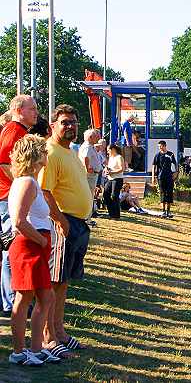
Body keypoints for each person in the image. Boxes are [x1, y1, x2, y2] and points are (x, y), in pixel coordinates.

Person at [39, 104, 93, 354]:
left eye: (73, 122)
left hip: (79, 225)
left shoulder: (69, 151)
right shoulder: (50, 153)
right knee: (53, 282)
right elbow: (45, 191)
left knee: (64, 282)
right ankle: (49, 337)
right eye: (64, 122)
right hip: (63, 224)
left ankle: (60, 331)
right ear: (53, 126)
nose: (70, 126)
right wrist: (60, 220)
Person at [8, 135, 60, 365]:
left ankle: (36, 348)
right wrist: (40, 240)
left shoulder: (30, 181)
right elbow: (19, 220)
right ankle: (19, 351)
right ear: (34, 155)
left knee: (45, 296)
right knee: (25, 297)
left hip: (35, 244)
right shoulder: (27, 182)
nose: (46, 154)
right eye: (43, 150)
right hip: (29, 245)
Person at [1, 95, 38, 318]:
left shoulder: (18, 130)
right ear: (18, 109)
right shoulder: (14, 130)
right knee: (11, 246)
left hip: (7, 195)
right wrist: (20, 183)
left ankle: (11, 298)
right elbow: (4, 161)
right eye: (32, 108)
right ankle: (10, 301)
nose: (36, 112)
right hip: (7, 196)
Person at [78, 129, 102, 223]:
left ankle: (87, 217)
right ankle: (86, 218)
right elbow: (86, 158)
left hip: (92, 174)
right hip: (90, 175)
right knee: (88, 196)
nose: (99, 138)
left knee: (90, 196)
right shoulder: (87, 147)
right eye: (97, 136)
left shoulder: (90, 146)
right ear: (91, 137)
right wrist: (88, 168)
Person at [151, 140, 177, 218]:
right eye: (159, 147)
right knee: (162, 193)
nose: (160, 148)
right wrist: (153, 177)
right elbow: (153, 166)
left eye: (161, 146)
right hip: (160, 177)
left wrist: (176, 172)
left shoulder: (170, 154)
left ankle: (168, 211)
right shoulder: (157, 155)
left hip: (169, 176)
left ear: (165, 146)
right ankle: (163, 211)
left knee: (169, 193)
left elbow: (175, 163)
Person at [104, 144, 125, 220]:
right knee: (106, 194)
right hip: (110, 179)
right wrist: (106, 170)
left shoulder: (119, 157)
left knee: (114, 196)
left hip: (117, 179)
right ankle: (111, 213)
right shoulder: (110, 158)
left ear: (113, 149)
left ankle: (116, 215)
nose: (107, 152)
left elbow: (122, 169)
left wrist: (112, 172)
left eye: (108, 150)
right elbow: (109, 167)